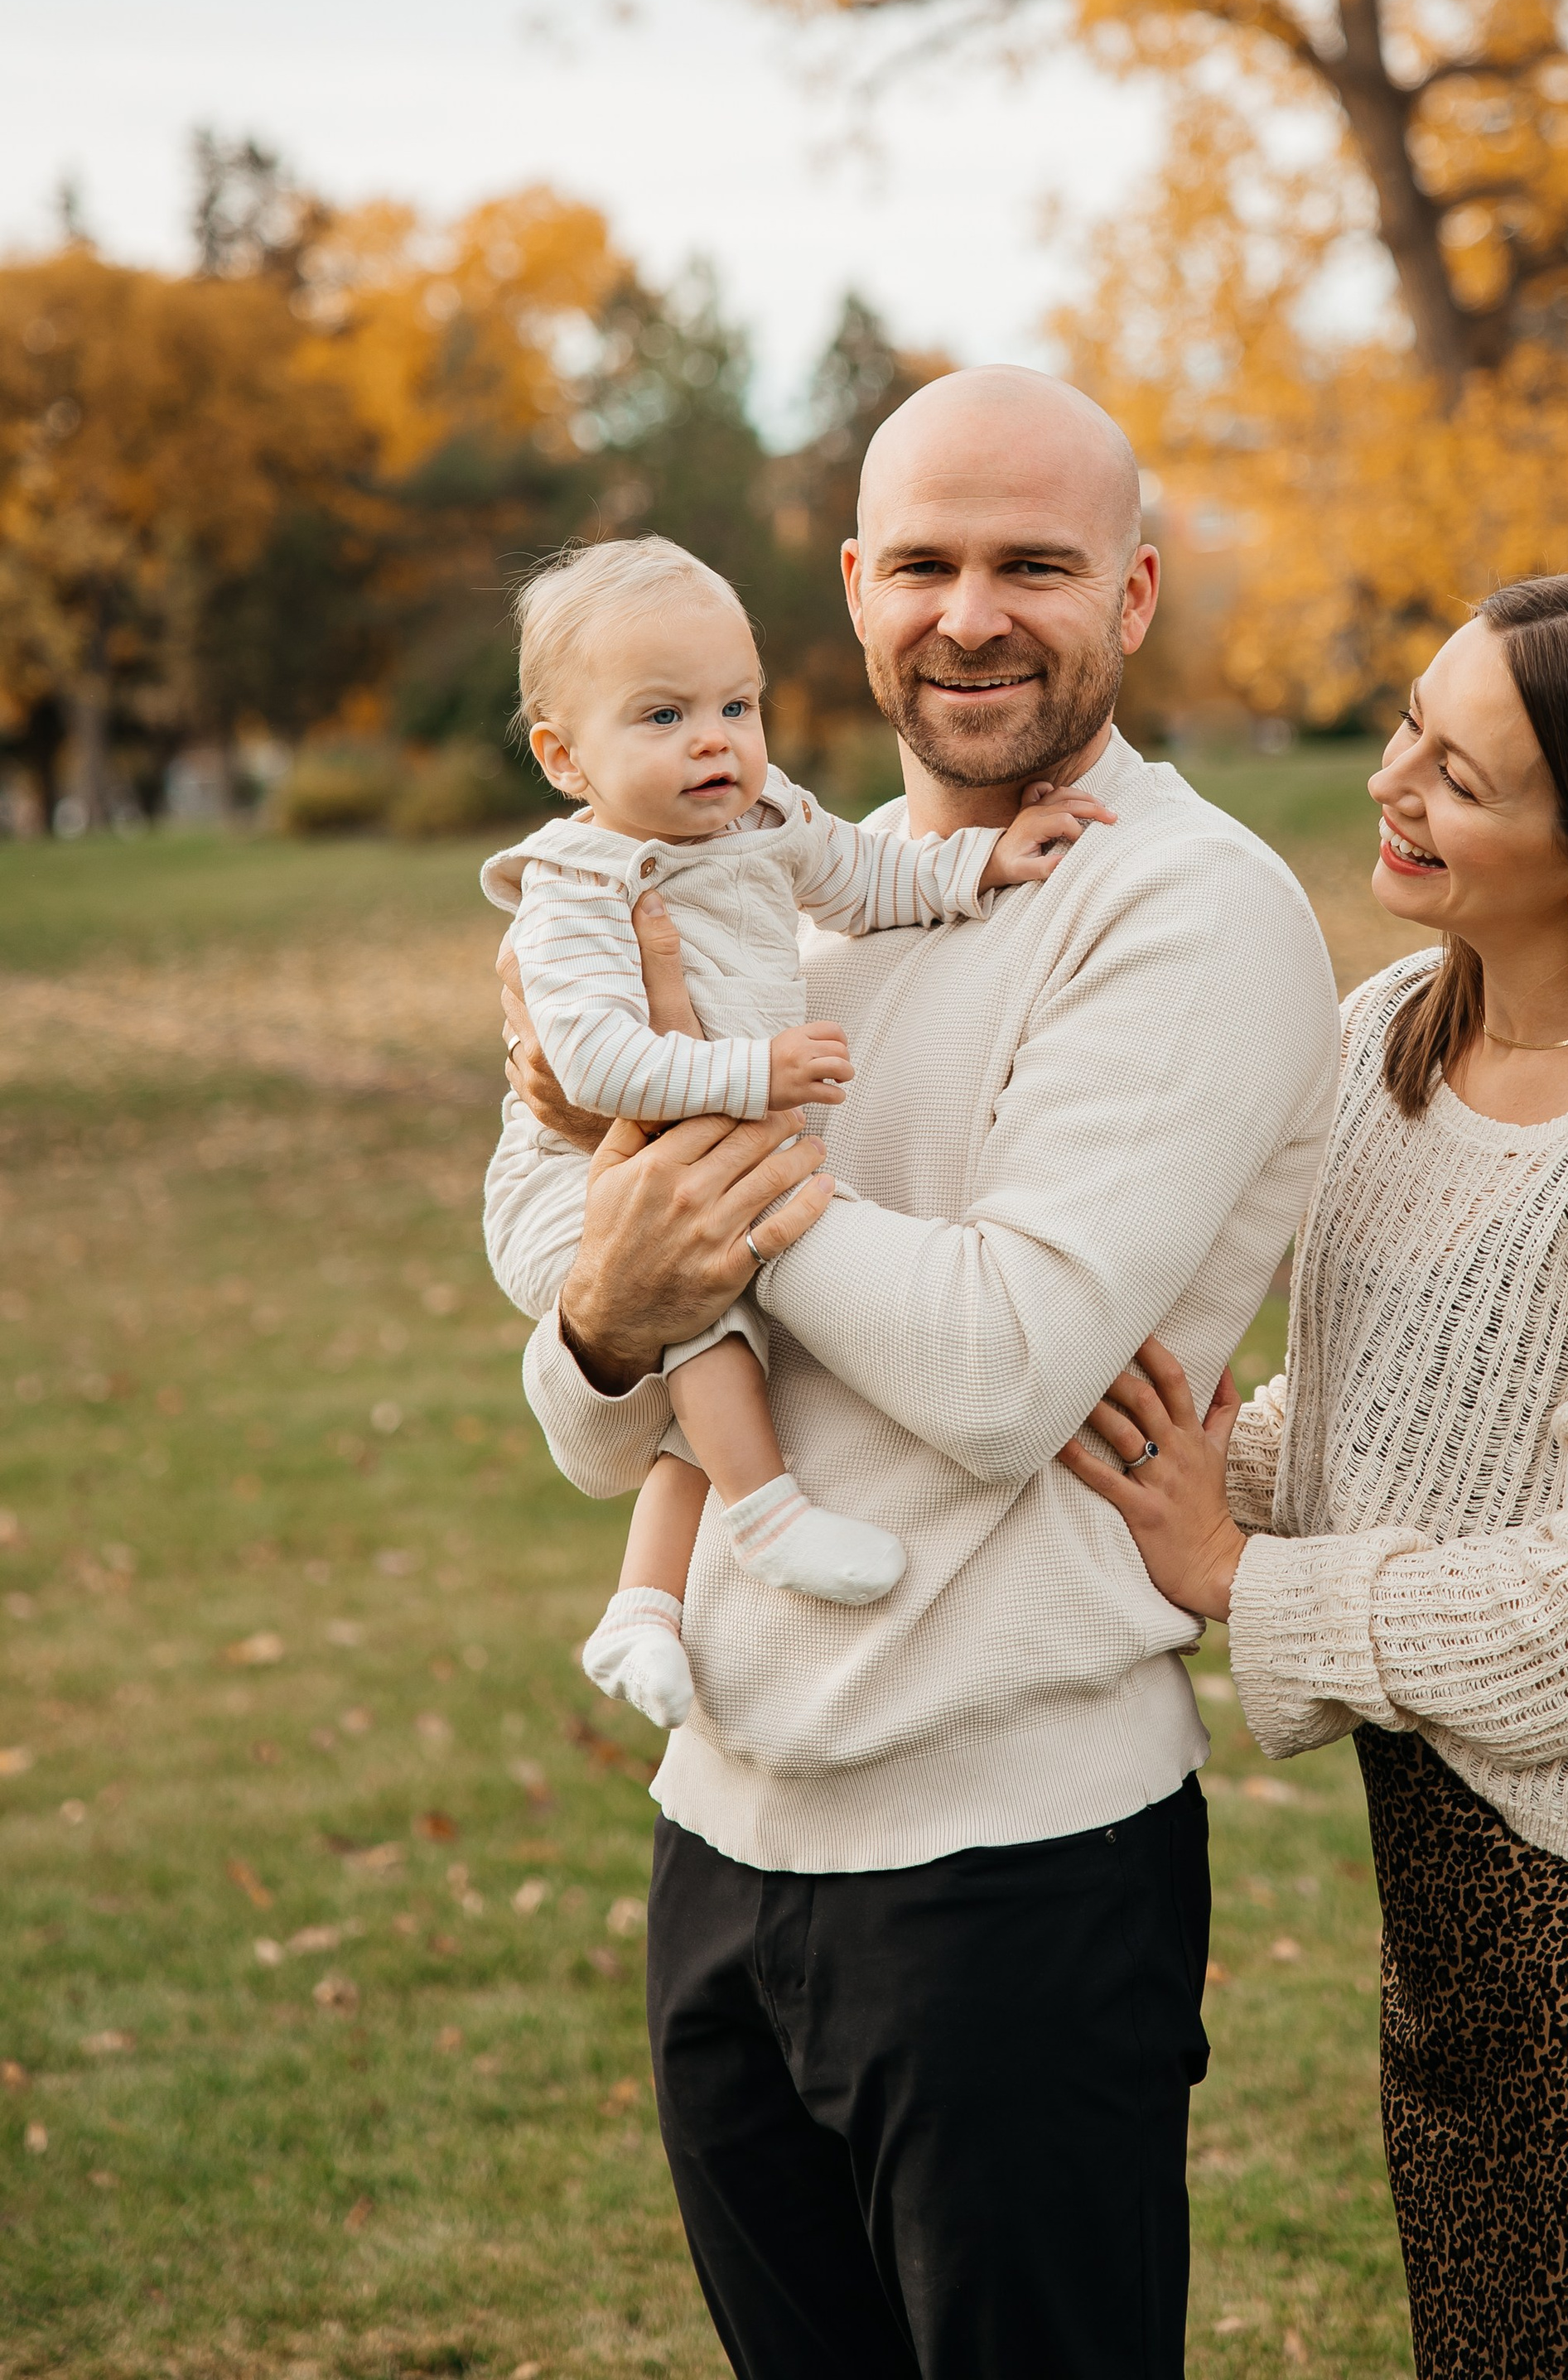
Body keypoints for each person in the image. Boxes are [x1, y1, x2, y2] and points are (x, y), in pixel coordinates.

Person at [483, 367, 1341, 2380]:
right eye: (925, 566)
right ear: (856, 589)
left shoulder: (1187, 906)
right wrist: (606, 1306)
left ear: (1132, 594)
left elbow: (999, 1366)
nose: (971, 616)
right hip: (723, 1831)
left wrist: (686, 1157)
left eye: (1032, 565)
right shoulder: (779, 875)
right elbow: (597, 1412)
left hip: (1009, 1871)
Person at [1066, 571, 1568, 2378]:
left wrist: (1238, 1578)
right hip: (1451, 1898)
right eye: (1409, 730)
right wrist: (1178, 1453)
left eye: (1459, 778)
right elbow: (1386, 1430)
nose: (1390, 785)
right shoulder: (1389, 1038)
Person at [481, 533, 1112, 1715]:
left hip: (696, 1148)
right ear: (565, 759)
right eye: (663, 716)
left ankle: (643, 1609)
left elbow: (872, 878)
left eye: (737, 705)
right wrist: (756, 1071)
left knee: (710, 1321)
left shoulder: (765, 820)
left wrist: (983, 864)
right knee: (704, 1302)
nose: (715, 740)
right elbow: (594, 1063)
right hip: (570, 1180)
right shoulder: (578, 888)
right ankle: (767, 1517)